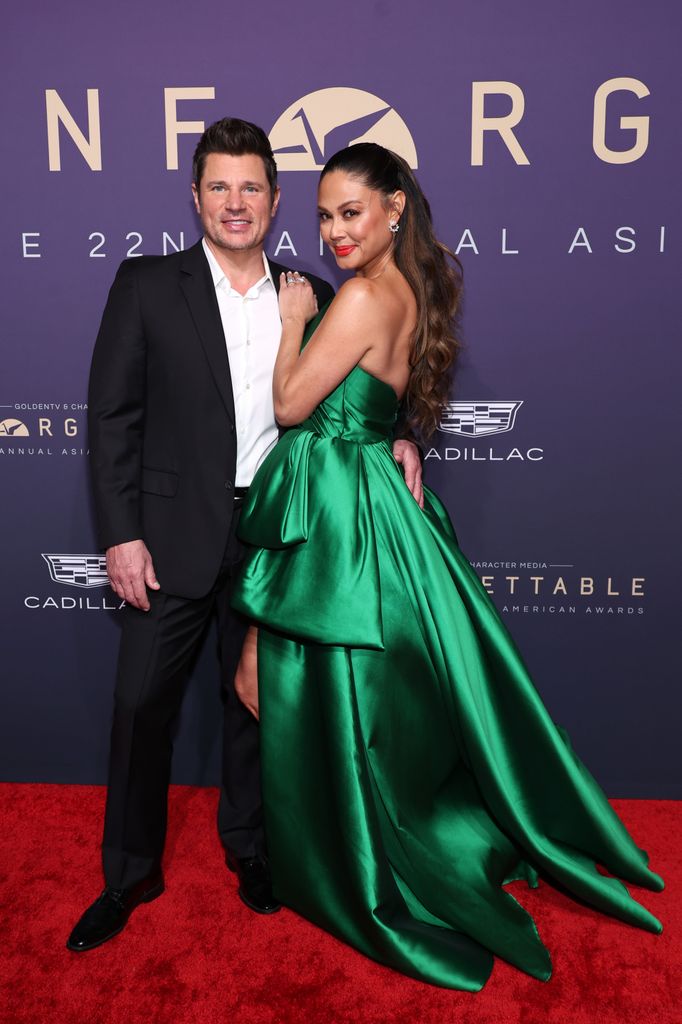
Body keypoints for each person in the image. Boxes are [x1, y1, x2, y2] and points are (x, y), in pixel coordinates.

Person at [230, 142, 664, 990]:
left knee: (330, 687)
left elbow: (290, 407)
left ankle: (359, 860)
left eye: (350, 211)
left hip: (343, 523)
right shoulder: (413, 289)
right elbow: (381, 397)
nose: (334, 230)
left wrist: (289, 325)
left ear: (394, 208)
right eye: (323, 215)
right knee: (362, 700)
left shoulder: (354, 296)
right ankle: (365, 836)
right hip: (373, 508)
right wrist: (394, 434)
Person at [66, 117, 427, 953]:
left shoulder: (313, 291)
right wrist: (121, 535)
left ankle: (253, 852)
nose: (236, 203)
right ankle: (127, 876)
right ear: (195, 197)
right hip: (171, 533)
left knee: (259, 705)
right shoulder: (148, 285)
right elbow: (112, 419)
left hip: (280, 534)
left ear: (274, 200)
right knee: (138, 706)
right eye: (220, 186)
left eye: (252, 187)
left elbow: (362, 383)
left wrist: (401, 431)